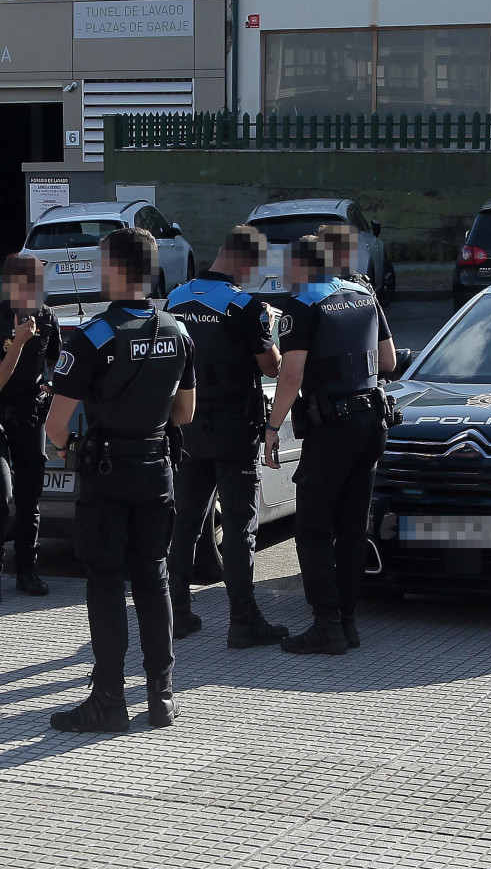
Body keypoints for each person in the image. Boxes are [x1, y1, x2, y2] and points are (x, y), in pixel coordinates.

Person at [45, 226, 196, 734]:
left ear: (112, 270)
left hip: (107, 475)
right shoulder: (177, 331)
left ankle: (109, 700)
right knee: (153, 579)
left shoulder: (92, 337)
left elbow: (56, 424)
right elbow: (185, 413)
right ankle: (162, 695)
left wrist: (69, 449)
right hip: (157, 470)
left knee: (107, 584)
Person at [264, 228, 397, 655]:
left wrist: (272, 428)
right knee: (351, 527)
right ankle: (348, 622)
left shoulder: (302, 306)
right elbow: (389, 361)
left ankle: (326, 624)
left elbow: (290, 376)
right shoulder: (363, 295)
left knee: (313, 526)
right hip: (371, 423)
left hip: (333, 427)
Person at [165, 226, 288, 648]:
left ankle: (176, 612)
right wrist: (269, 326)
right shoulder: (246, 307)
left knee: (183, 521)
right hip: (235, 429)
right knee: (239, 525)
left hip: (186, 427)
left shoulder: (176, 299)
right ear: (244, 261)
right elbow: (271, 367)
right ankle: (243, 618)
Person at [0, 253, 61, 605]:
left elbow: (57, 361)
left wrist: (53, 385)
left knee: (30, 496)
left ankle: (27, 572)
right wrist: (20, 342)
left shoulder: (47, 317)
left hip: (29, 415)